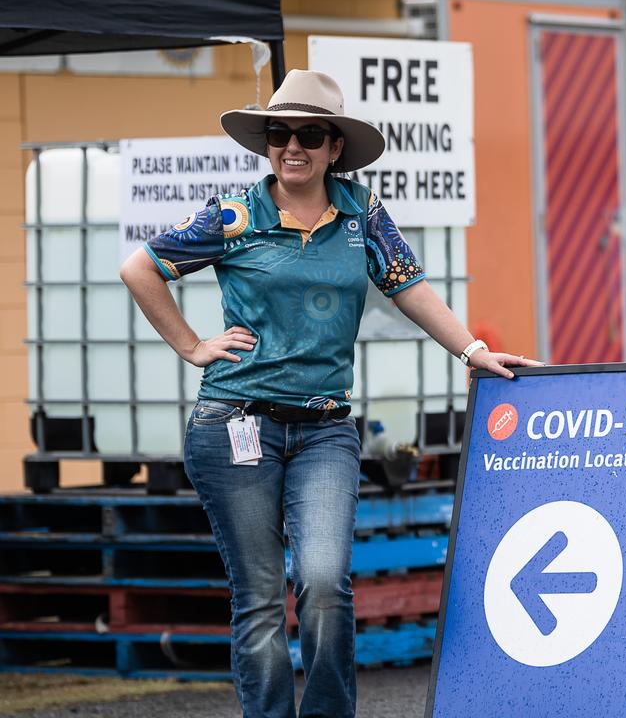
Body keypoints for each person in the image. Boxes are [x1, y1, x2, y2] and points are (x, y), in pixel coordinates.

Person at [119, 70, 535, 718]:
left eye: (310, 134)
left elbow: (409, 286)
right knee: (258, 595)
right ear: (266, 143)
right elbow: (139, 267)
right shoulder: (234, 215)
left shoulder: (361, 212)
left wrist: (473, 352)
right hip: (234, 425)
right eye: (280, 133)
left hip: (325, 430)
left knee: (322, 581)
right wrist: (191, 345)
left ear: (334, 147)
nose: (293, 146)